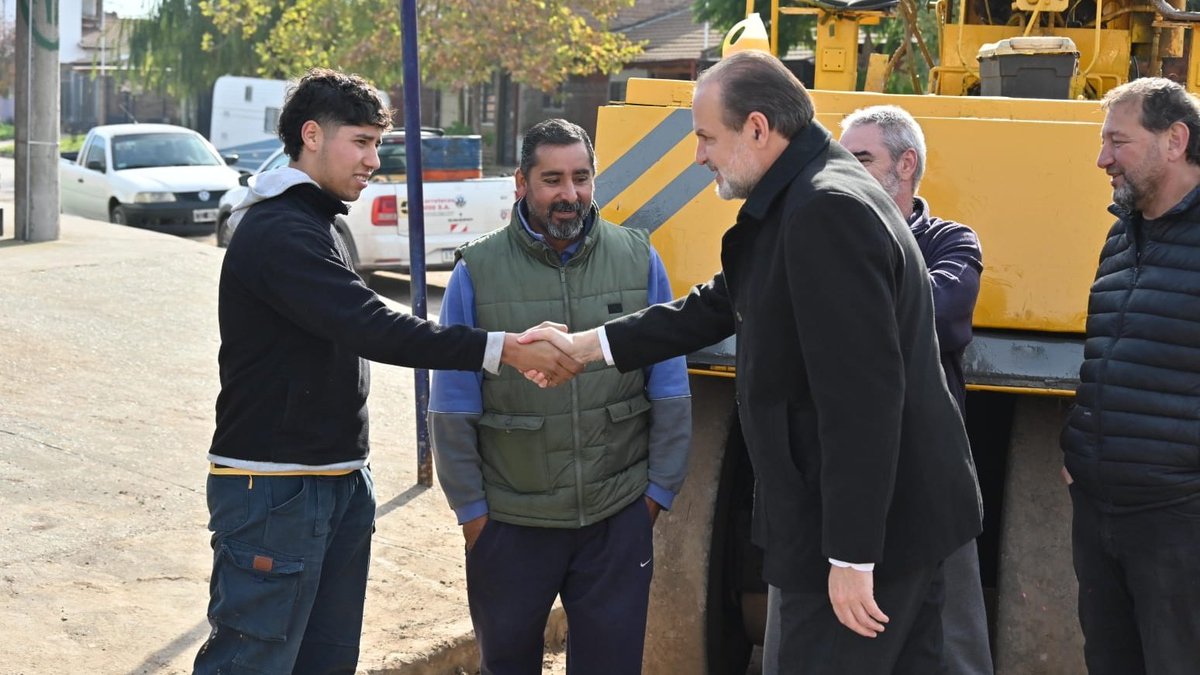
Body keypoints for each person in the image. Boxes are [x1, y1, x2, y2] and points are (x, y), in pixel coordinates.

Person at [521, 51, 982, 673]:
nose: (698, 155)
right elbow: (720, 302)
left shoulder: (826, 209)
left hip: (864, 534)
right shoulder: (809, 190)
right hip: (885, 520)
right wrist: (590, 345)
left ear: (759, 129)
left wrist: (851, 557)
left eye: (707, 137)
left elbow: (863, 399)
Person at [193, 68, 580, 675]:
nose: (376, 159)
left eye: (379, 142)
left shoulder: (325, 221)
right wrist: (501, 347)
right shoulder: (279, 230)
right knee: (253, 661)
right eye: (363, 142)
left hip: (339, 478)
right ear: (312, 135)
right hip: (275, 489)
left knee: (326, 660)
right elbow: (372, 324)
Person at [428, 118, 692, 675]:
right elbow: (451, 407)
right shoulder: (476, 272)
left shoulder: (638, 260)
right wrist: (475, 517)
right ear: (520, 184)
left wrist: (653, 497)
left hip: (616, 520)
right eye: (552, 179)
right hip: (509, 523)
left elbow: (670, 389)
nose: (569, 194)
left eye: (581, 177)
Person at [758, 105, 990, 675]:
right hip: (842, 478)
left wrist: (836, 299)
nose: (845, 170)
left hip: (923, 480)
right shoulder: (812, 231)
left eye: (861, 158)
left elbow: (935, 314)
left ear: (906, 165)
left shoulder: (951, 242)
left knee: (946, 642)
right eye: (842, 157)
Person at [1061, 77, 1200, 675]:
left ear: (1175, 140)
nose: (1102, 159)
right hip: (1100, 512)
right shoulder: (1122, 237)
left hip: (1178, 519)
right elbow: (1107, 353)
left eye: (1118, 141)